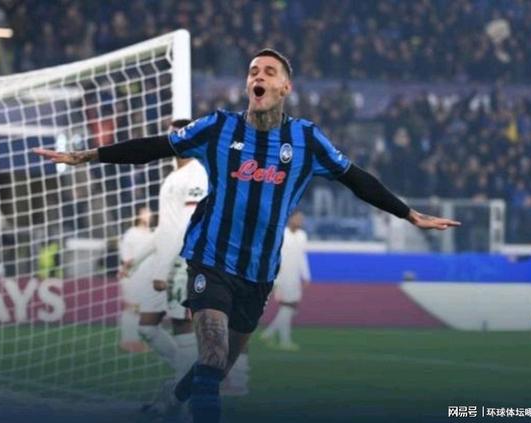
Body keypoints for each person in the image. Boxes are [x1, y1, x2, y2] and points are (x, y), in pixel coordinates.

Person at [34, 48, 460, 423]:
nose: (259, 76)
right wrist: (86, 156)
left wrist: (408, 214)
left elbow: (356, 178)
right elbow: (155, 147)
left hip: (258, 274)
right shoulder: (218, 128)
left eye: (269, 72)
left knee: (216, 367)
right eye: (253, 71)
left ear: (286, 87)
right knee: (213, 357)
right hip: (210, 260)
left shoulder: (306, 139)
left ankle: (172, 398)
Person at [120, 119, 207, 411]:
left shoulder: (197, 173)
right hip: (163, 260)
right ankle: (187, 377)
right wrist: (135, 260)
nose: (173, 141)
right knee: (147, 327)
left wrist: (164, 268)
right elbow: (164, 229)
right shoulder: (172, 176)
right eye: (171, 136)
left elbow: (186, 225)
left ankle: (180, 404)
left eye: (179, 136)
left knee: (182, 326)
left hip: (181, 263)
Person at [260, 210, 310, 351]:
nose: (299, 221)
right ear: (290, 218)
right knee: (288, 307)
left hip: (295, 277)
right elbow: (274, 257)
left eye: (301, 219)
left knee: (289, 308)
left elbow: (302, 257)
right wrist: (275, 280)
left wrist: (306, 275)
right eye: (297, 218)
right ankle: (284, 340)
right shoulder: (282, 234)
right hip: (282, 276)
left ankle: (269, 333)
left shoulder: (302, 236)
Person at [117, 206, 154, 353]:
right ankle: (127, 341)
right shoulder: (131, 234)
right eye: (145, 212)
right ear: (138, 215)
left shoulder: (151, 233)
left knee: (141, 309)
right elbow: (126, 258)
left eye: (149, 212)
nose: (149, 215)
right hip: (132, 275)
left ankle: (134, 340)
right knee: (132, 307)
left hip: (145, 276)